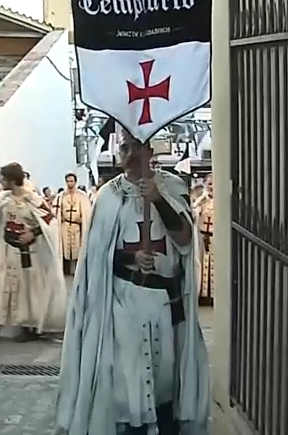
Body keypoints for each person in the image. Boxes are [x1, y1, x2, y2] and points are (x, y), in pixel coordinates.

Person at [55, 130, 210, 435]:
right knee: (129, 377)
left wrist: (158, 200)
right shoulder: (109, 197)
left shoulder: (173, 186)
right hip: (124, 301)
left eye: (135, 147)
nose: (129, 154)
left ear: (149, 149)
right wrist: (131, 259)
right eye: (124, 147)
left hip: (165, 303)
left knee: (165, 377)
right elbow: (96, 259)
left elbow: (183, 239)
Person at [0, 162, 68, 342]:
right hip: (5, 252)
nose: (1, 182)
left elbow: (50, 221)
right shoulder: (3, 200)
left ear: (13, 180)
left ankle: (28, 326)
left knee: (27, 290)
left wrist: (32, 233)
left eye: (4, 179)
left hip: (28, 253)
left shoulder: (33, 199)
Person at [53, 173, 92, 277]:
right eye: (68, 181)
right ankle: (66, 269)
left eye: (71, 181)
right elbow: (56, 211)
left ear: (75, 182)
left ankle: (76, 269)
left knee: (77, 247)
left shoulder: (81, 196)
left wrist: (82, 219)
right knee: (65, 247)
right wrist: (60, 217)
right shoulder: (60, 197)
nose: (70, 183)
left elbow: (86, 211)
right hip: (65, 225)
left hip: (76, 226)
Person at [195, 174, 214, 305]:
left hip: (215, 235)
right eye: (209, 184)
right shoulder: (201, 200)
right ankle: (202, 294)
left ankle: (213, 294)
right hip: (202, 235)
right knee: (201, 263)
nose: (211, 187)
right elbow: (194, 213)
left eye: (213, 184)